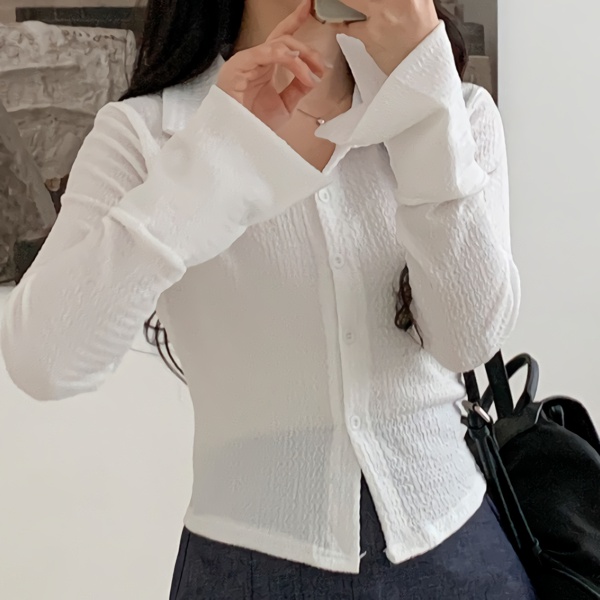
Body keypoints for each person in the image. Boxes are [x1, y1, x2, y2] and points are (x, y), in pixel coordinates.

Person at [0, 0, 536, 597]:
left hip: (458, 551)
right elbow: (45, 360)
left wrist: (424, 100)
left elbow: (468, 340)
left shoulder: (456, 111)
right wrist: (215, 155)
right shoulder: (149, 133)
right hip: (246, 566)